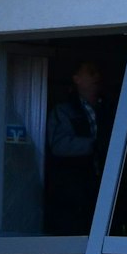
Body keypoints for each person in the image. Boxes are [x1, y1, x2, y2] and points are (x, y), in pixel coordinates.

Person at [45, 59, 107, 235]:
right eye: (90, 72)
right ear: (76, 78)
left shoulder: (109, 109)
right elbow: (59, 145)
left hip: (103, 195)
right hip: (72, 199)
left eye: (98, 72)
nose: (97, 77)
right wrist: (94, 145)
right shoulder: (63, 111)